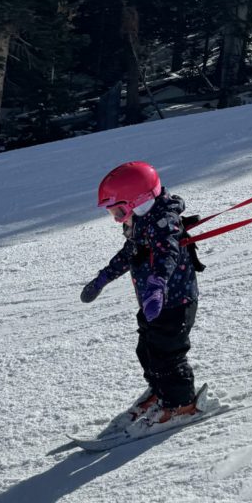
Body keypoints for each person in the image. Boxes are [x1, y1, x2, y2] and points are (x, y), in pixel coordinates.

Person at [80, 161, 203, 422]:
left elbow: (166, 254)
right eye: (113, 213)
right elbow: (130, 253)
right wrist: (102, 279)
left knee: (168, 356)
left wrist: (157, 286)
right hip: (152, 302)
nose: (117, 220)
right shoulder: (142, 221)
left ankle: (182, 405)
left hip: (174, 301)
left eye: (120, 211)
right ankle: (161, 390)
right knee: (146, 350)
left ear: (140, 200)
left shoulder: (163, 223)